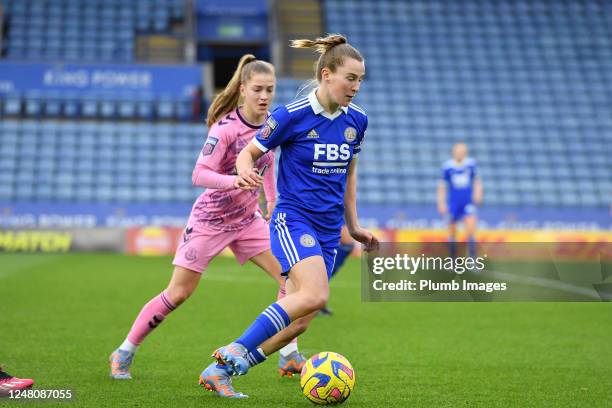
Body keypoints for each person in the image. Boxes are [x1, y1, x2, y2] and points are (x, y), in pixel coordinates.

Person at [108, 55, 305, 387]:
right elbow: (199, 174)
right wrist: (235, 181)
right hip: (210, 221)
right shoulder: (225, 128)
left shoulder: (272, 124)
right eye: (257, 89)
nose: (264, 96)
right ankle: (124, 351)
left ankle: (288, 355)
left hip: (247, 221)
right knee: (179, 292)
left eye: (270, 90)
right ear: (243, 90)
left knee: (292, 281)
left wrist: (271, 200)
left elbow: (268, 163)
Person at [199, 34, 379, 399]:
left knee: (300, 321)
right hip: (293, 219)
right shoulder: (291, 115)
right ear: (327, 75)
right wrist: (245, 171)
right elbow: (247, 153)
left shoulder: (357, 121)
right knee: (314, 293)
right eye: (351, 78)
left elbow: (350, 173)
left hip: (329, 230)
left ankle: (224, 370)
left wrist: (354, 225)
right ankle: (235, 347)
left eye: (360, 80)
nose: (356, 87)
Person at [437, 142, 482, 260]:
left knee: (471, 229)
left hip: (467, 202)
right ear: (454, 152)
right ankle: (452, 261)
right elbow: (442, 186)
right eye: (457, 150)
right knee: (452, 232)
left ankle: (472, 260)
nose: (460, 153)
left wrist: (478, 193)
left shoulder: (471, 164)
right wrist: (441, 202)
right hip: (453, 203)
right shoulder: (447, 167)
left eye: (462, 151)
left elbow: (477, 181)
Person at [319, 224, 354, 316]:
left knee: (347, 244)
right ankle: (314, 292)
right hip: (318, 212)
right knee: (347, 244)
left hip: (333, 211)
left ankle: (316, 291)